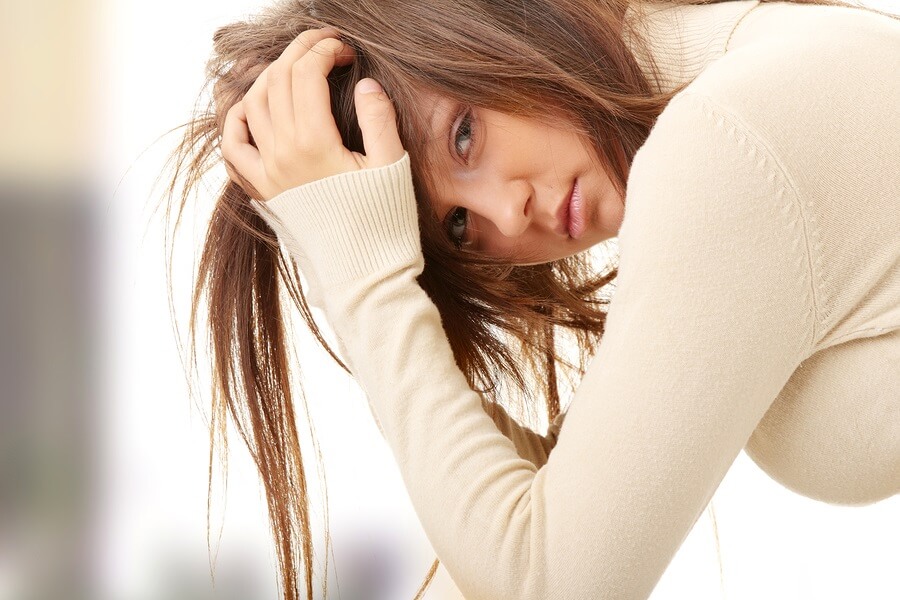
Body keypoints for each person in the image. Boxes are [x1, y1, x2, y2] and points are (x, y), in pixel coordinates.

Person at [162, 0, 900, 598]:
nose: (504, 217)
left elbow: (544, 582)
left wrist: (366, 283)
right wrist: (343, 247)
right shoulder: (738, 92)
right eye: (456, 227)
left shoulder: (725, 146)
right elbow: (550, 503)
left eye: (464, 134)